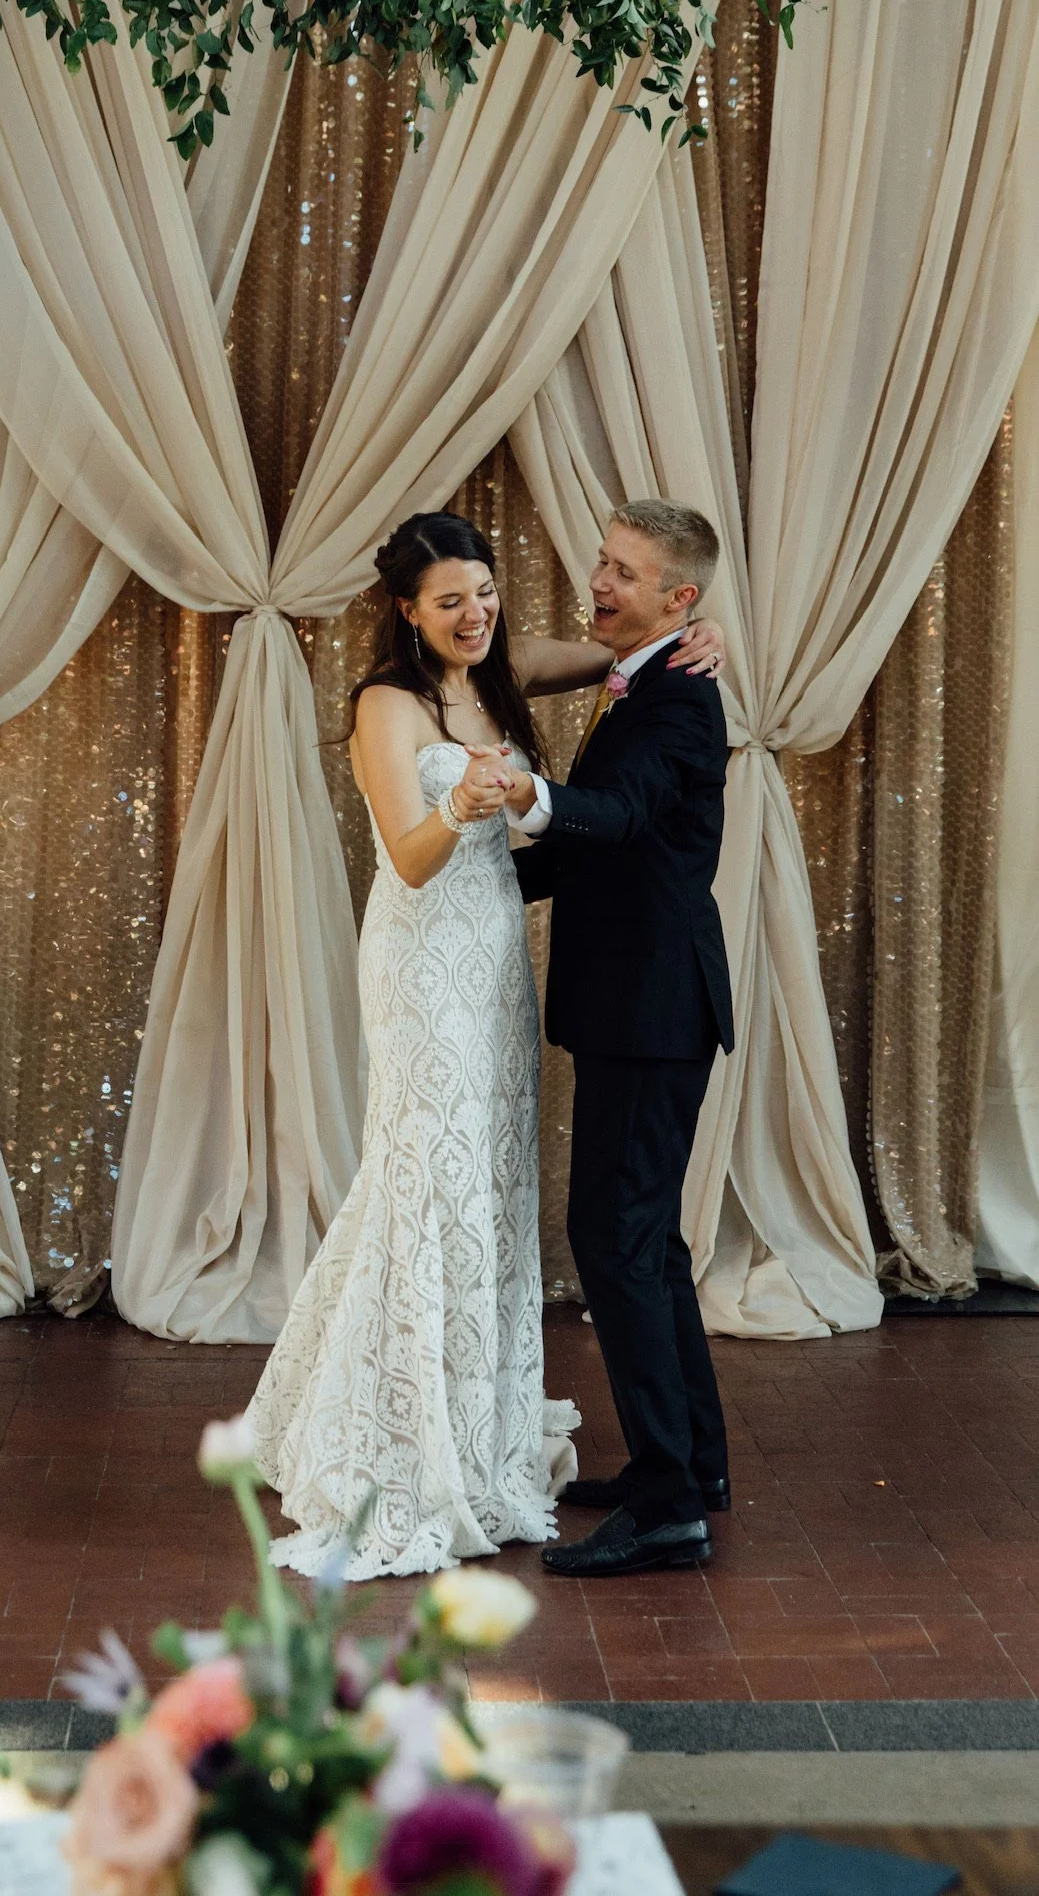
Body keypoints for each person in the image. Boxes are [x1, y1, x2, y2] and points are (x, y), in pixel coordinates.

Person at [246, 510, 726, 1581]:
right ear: (407, 609)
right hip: (427, 966)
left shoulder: (521, 673)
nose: (475, 613)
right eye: (448, 598)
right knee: (437, 1183)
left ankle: (656, 1473)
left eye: (484, 591)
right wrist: (470, 799)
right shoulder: (388, 699)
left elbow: (618, 696)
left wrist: (696, 637)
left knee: (539, 1205)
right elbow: (413, 858)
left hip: (522, 972)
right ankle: (435, 1430)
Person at [500, 499, 734, 1579]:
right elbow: (589, 844)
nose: (597, 580)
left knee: (616, 1239)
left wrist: (522, 795)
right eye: (600, 560)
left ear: (675, 601)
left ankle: (670, 1504)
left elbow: (618, 815)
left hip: (650, 1012)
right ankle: (689, 1465)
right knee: (648, 1240)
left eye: (623, 571)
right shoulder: (639, 683)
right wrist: (473, 880)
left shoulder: (676, 702)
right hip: (644, 1008)